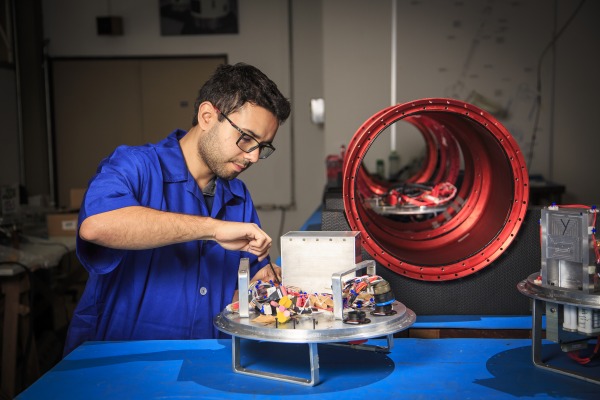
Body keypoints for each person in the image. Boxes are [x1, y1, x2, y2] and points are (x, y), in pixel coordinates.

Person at [63, 62, 291, 356]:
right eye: (246, 138)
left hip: (207, 360)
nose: (254, 157)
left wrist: (261, 285)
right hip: (124, 364)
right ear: (207, 116)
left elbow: (242, 285)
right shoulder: (136, 166)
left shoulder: (237, 196)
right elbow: (97, 225)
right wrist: (212, 229)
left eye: (264, 146)